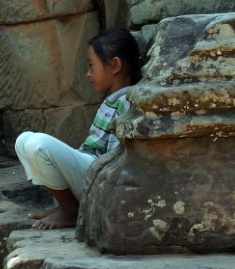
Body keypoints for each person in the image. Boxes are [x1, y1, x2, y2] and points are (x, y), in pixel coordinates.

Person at [14, 28, 142, 229]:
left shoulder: (127, 101)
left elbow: (119, 159)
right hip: (92, 171)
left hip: (103, 181)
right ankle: (68, 206)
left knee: (39, 145)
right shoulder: (112, 100)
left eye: (92, 66)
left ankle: (71, 211)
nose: (88, 73)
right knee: (23, 140)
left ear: (115, 65)